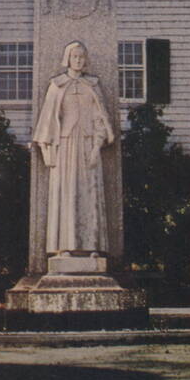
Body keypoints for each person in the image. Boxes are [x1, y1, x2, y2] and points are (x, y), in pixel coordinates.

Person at [33, 41, 114, 256]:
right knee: (66, 193)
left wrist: (97, 146)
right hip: (65, 145)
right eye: (74, 56)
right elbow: (48, 120)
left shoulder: (93, 86)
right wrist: (47, 148)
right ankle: (64, 248)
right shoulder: (57, 85)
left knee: (90, 193)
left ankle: (92, 246)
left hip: (88, 144)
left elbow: (99, 119)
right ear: (67, 59)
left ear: (85, 60)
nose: (78, 60)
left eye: (81, 57)